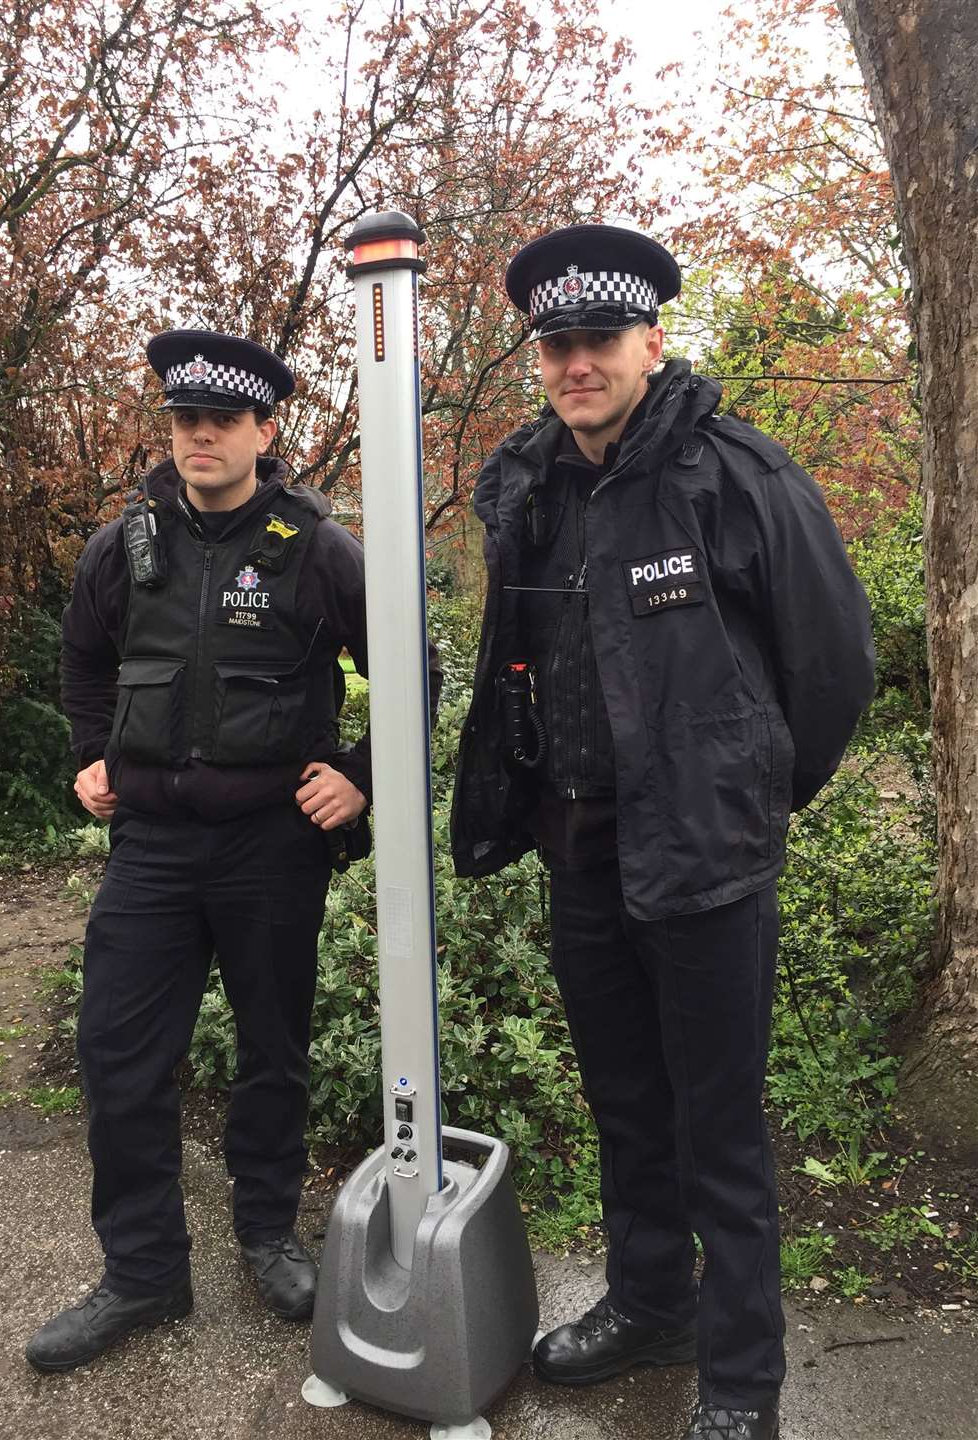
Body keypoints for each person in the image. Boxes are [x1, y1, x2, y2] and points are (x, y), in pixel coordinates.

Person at [450, 226, 875, 1440]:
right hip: (581, 850)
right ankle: (649, 1304)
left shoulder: (733, 474)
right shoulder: (530, 482)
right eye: (556, 343)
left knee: (718, 1132)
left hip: (705, 863)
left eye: (599, 340)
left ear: (651, 340)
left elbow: (835, 662)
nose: (576, 361)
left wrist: (747, 790)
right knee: (625, 1104)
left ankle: (742, 1382)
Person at [29, 329, 437, 1372]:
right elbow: (82, 660)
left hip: (270, 846)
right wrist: (88, 751)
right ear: (171, 430)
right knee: (118, 1057)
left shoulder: (317, 549)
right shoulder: (127, 548)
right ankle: (143, 1274)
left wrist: (362, 771)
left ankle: (266, 1234)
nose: (201, 435)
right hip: (152, 849)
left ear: (265, 430)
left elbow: (409, 667)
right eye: (184, 419)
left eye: (223, 420)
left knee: (271, 1055)